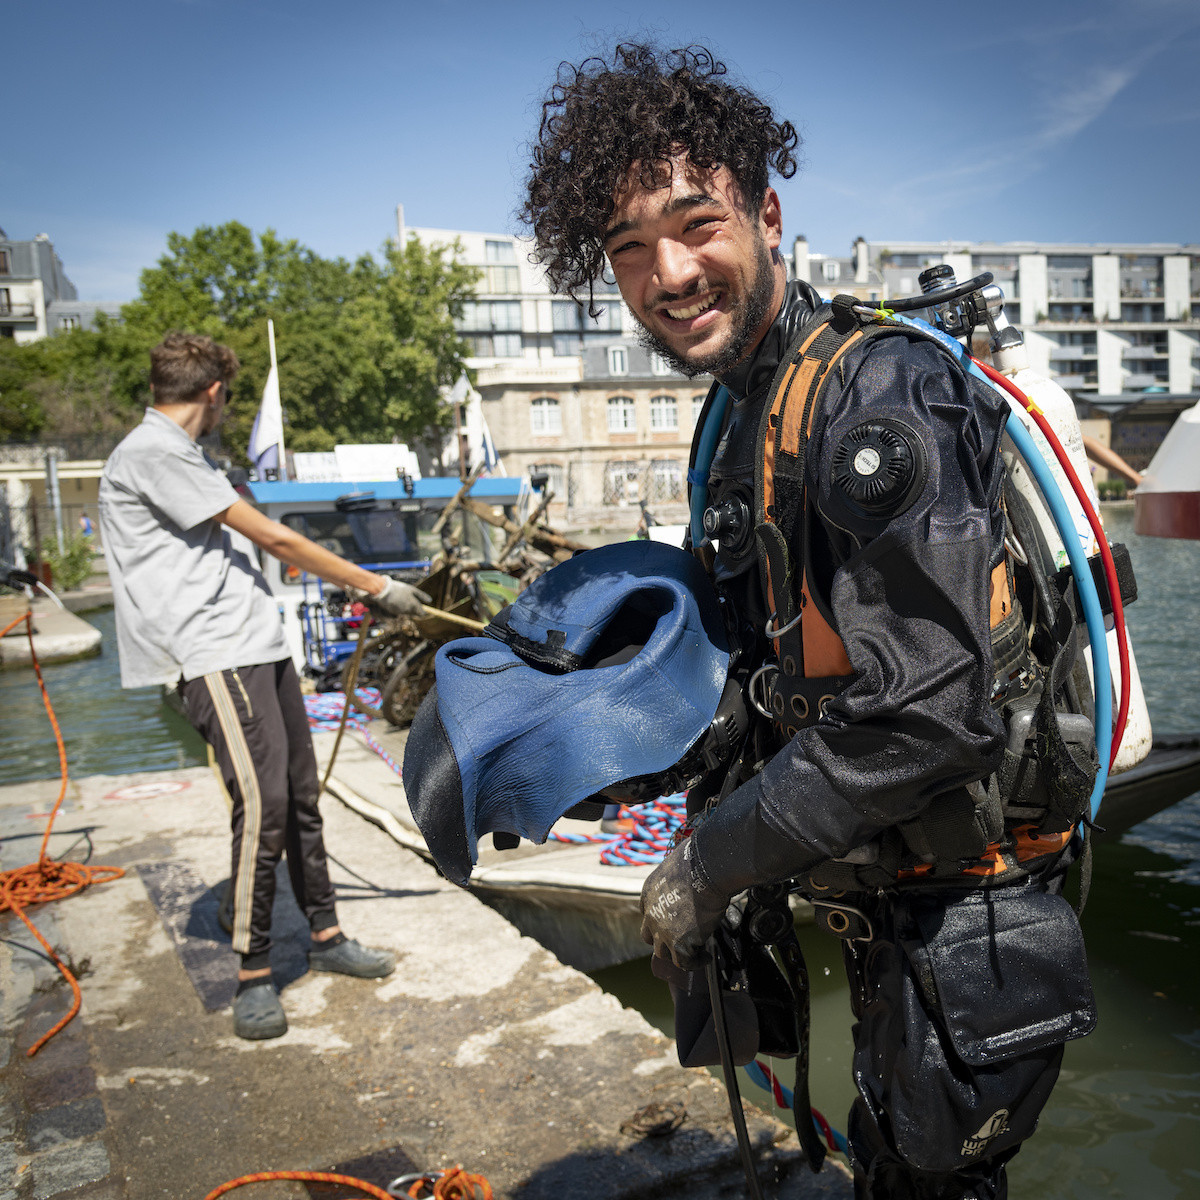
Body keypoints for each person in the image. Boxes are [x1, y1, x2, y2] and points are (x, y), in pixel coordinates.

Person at [522, 45, 1096, 1199]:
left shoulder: (875, 396)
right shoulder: (740, 414)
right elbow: (764, 666)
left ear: (769, 213)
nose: (668, 272)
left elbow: (923, 723)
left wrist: (707, 865)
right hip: (877, 886)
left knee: (930, 1182)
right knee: (879, 1157)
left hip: (967, 894)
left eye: (696, 225)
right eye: (629, 249)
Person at [99, 331, 428, 1041]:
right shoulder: (153, 452)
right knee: (264, 803)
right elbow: (276, 538)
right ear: (215, 392)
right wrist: (375, 585)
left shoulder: (184, 455)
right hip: (214, 657)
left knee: (301, 798)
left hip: (257, 646)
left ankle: (327, 935)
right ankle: (252, 972)